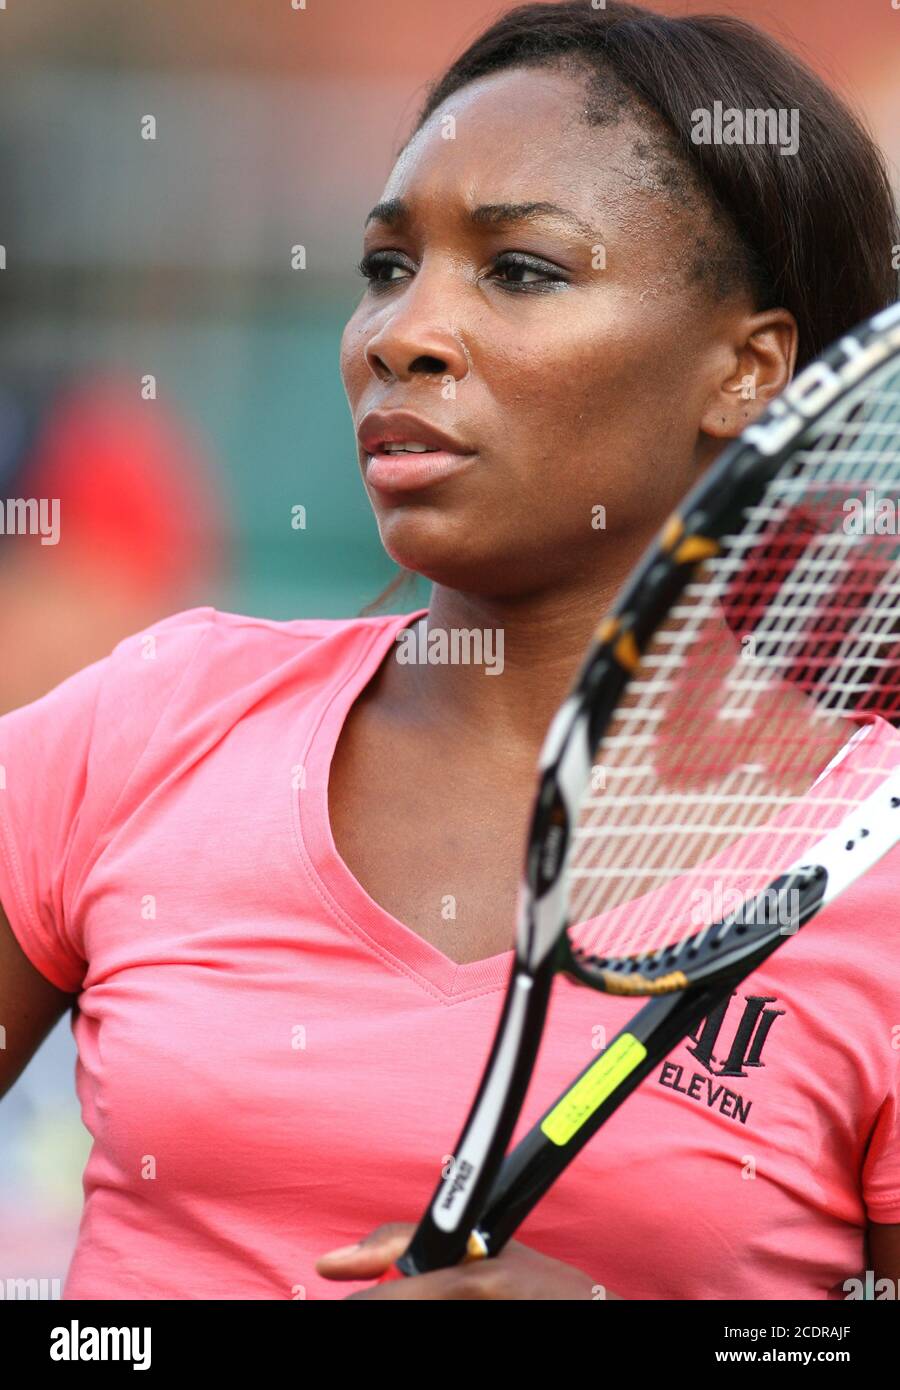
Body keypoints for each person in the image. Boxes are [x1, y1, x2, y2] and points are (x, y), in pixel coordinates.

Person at [1, 1, 898, 1301]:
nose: (398, 336)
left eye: (521, 270)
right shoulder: (148, 720)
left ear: (748, 369)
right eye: (384, 267)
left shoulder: (872, 859)